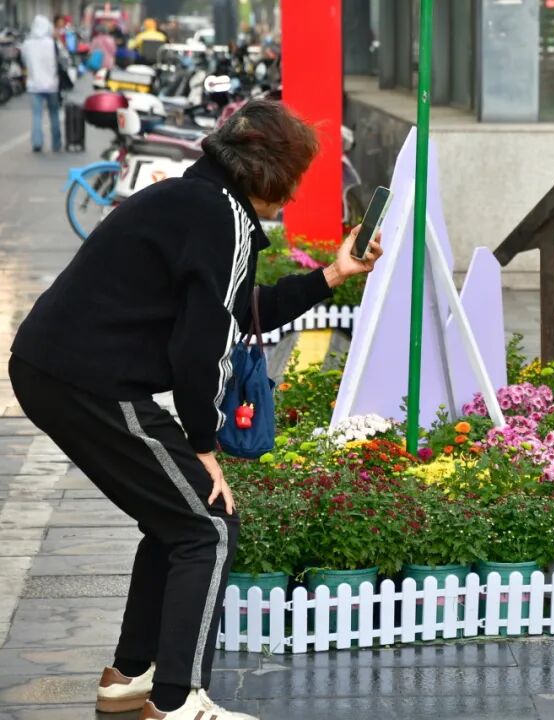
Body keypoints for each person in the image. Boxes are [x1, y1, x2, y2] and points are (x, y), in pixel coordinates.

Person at [9, 100, 383, 720]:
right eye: (293, 178)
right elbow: (201, 347)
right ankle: (176, 701)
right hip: (88, 378)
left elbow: (239, 310)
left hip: (58, 369)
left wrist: (334, 274)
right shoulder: (220, 216)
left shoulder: (197, 201)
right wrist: (204, 446)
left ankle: (131, 675)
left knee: (174, 518)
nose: (293, 195)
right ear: (268, 174)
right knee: (208, 525)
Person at [20, 15, 62, 153]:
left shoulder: (27, 44)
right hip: (52, 85)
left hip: (34, 85)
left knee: (37, 115)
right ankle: (56, 143)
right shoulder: (52, 43)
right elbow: (60, 60)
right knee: (54, 114)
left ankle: (37, 143)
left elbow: (24, 61)